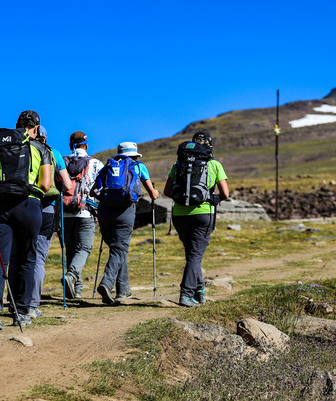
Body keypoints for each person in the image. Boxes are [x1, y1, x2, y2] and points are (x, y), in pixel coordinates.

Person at [0, 110, 52, 329]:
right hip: (28, 206)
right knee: (27, 259)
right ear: (36, 128)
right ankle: (21, 311)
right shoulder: (41, 149)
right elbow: (46, 185)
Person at [163, 131, 229, 307]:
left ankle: (199, 292)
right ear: (210, 145)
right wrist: (213, 199)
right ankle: (185, 295)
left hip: (179, 215)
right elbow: (226, 193)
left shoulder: (178, 164)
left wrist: (183, 201)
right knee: (195, 255)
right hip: (203, 214)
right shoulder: (214, 164)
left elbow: (167, 192)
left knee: (192, 254)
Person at [94, 142, 159, 305]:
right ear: (134, 155)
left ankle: (123, 290)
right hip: (125, 211)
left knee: (117, 250)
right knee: (120, 249)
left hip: (104, 211)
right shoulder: (138, 166)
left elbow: (92, 191)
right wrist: (155, 192)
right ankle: (106, 283)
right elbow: (153, 194)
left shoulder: (107, 166)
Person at [22, 125, 70, 318]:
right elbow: (67, 186)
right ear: (45, 138)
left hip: (23, 206)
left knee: (21, 255)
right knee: (39, 258)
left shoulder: (22, 150)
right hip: (46, 209)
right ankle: (32, 305)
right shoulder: (54, 153)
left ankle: (17, 302)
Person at [62, 131, 104, 299]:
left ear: (70, 145)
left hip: (65, 213)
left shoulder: (63, 162)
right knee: (84, 248)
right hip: (85, 212)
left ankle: (76, 289)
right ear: (86, 145)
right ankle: (71, 276)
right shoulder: (95, 163)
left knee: (71, 250)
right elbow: (100, 189)